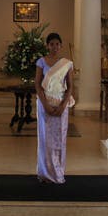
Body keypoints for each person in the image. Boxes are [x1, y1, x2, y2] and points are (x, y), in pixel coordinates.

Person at [35, 32, 75, 184]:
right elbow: (37, 84)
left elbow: (70, 86)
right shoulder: (41, 62)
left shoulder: (67, 64)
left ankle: (58, 172)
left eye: (57, 44)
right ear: (47, 46)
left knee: (59, 138)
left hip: (61, 103)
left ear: (61, 45)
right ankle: (45, 173)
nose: (54, 47)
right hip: (44, 103)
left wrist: (63, 106)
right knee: (45, 139)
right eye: (51, 44)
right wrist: (45, 105)